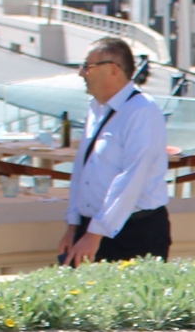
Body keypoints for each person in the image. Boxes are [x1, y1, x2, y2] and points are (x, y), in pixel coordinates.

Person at [58, 38, 172, 265]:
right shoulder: (96, 109)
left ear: (112, 69)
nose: (82, 73)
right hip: (92, 230)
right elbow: (82, 171)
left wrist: (95, 234)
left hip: (135, 234)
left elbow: (131, 179)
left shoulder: (142, 111)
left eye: (88, 67)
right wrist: (74, 226)